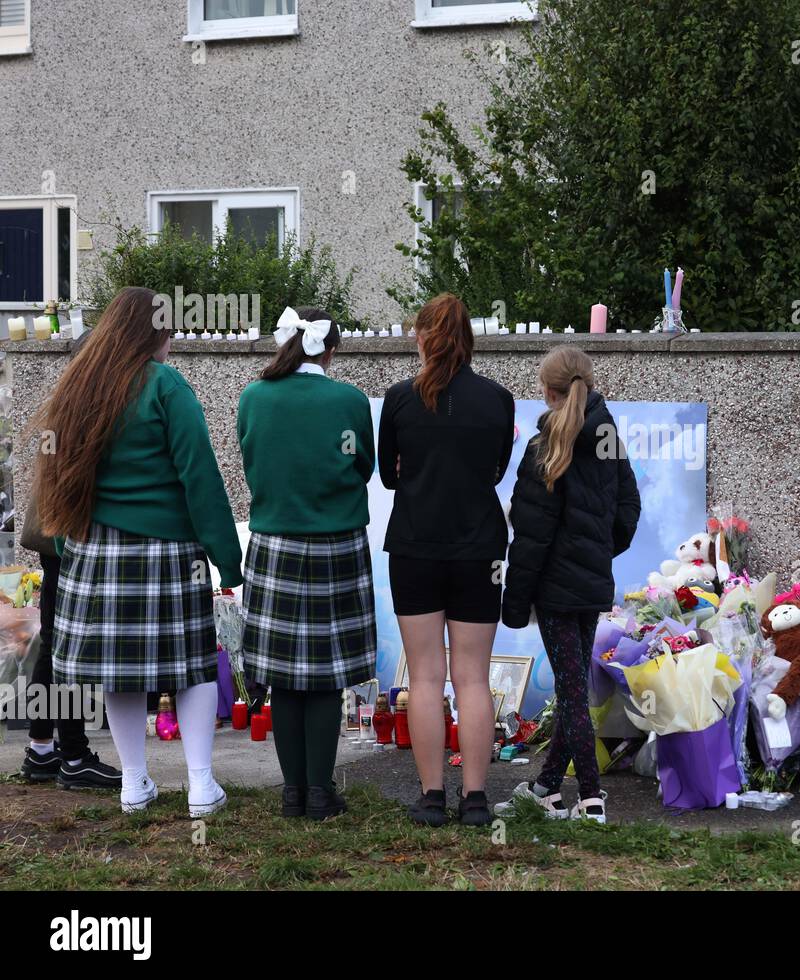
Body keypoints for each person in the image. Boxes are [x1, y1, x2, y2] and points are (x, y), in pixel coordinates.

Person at [35, 286, 243, 815]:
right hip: (169, 553)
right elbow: (200, 475)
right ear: (153, 333)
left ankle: (134, 784)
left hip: (94, 552)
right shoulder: (166, 385)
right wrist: (226, 556)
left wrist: (65, 541)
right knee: (193, 666)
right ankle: (200, 786)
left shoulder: (80, 385)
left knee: (117, 670)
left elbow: (55, 470)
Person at [379, 294, 515, 827]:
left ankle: (432, 796)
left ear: (422, 337)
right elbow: (498, 469)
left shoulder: (398, 398)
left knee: (427, 677)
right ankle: (476, 799)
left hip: (414, 546)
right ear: (469, 338)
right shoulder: (498, 399)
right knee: (474, 679)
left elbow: (389, 476)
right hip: (480, 548)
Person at [238, 307, 376, 821]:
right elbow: (363, 465)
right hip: (336, 544)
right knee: (325, 674)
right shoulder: (349, 400)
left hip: (275, 542)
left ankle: (291, 792)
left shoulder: (253, 397)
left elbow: (252, 460)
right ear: (331, 349)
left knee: (283, 673)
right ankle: (319, 791)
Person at [498, 347, 640, 825]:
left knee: (573, 690)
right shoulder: (608, 436)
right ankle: (544, 788)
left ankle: (592, 799)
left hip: (556, 589)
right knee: (573, 686)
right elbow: (628, 509)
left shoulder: (545, 447)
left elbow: (531, 537)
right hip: (590, 582)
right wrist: (597, 552)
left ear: (547, 389)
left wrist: (516, 598)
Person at [18, 492, 122, 789]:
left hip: (56, 525)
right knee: (68, 644)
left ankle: (41, 750)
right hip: (69, 528)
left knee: (54, 640)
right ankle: (75, 758)